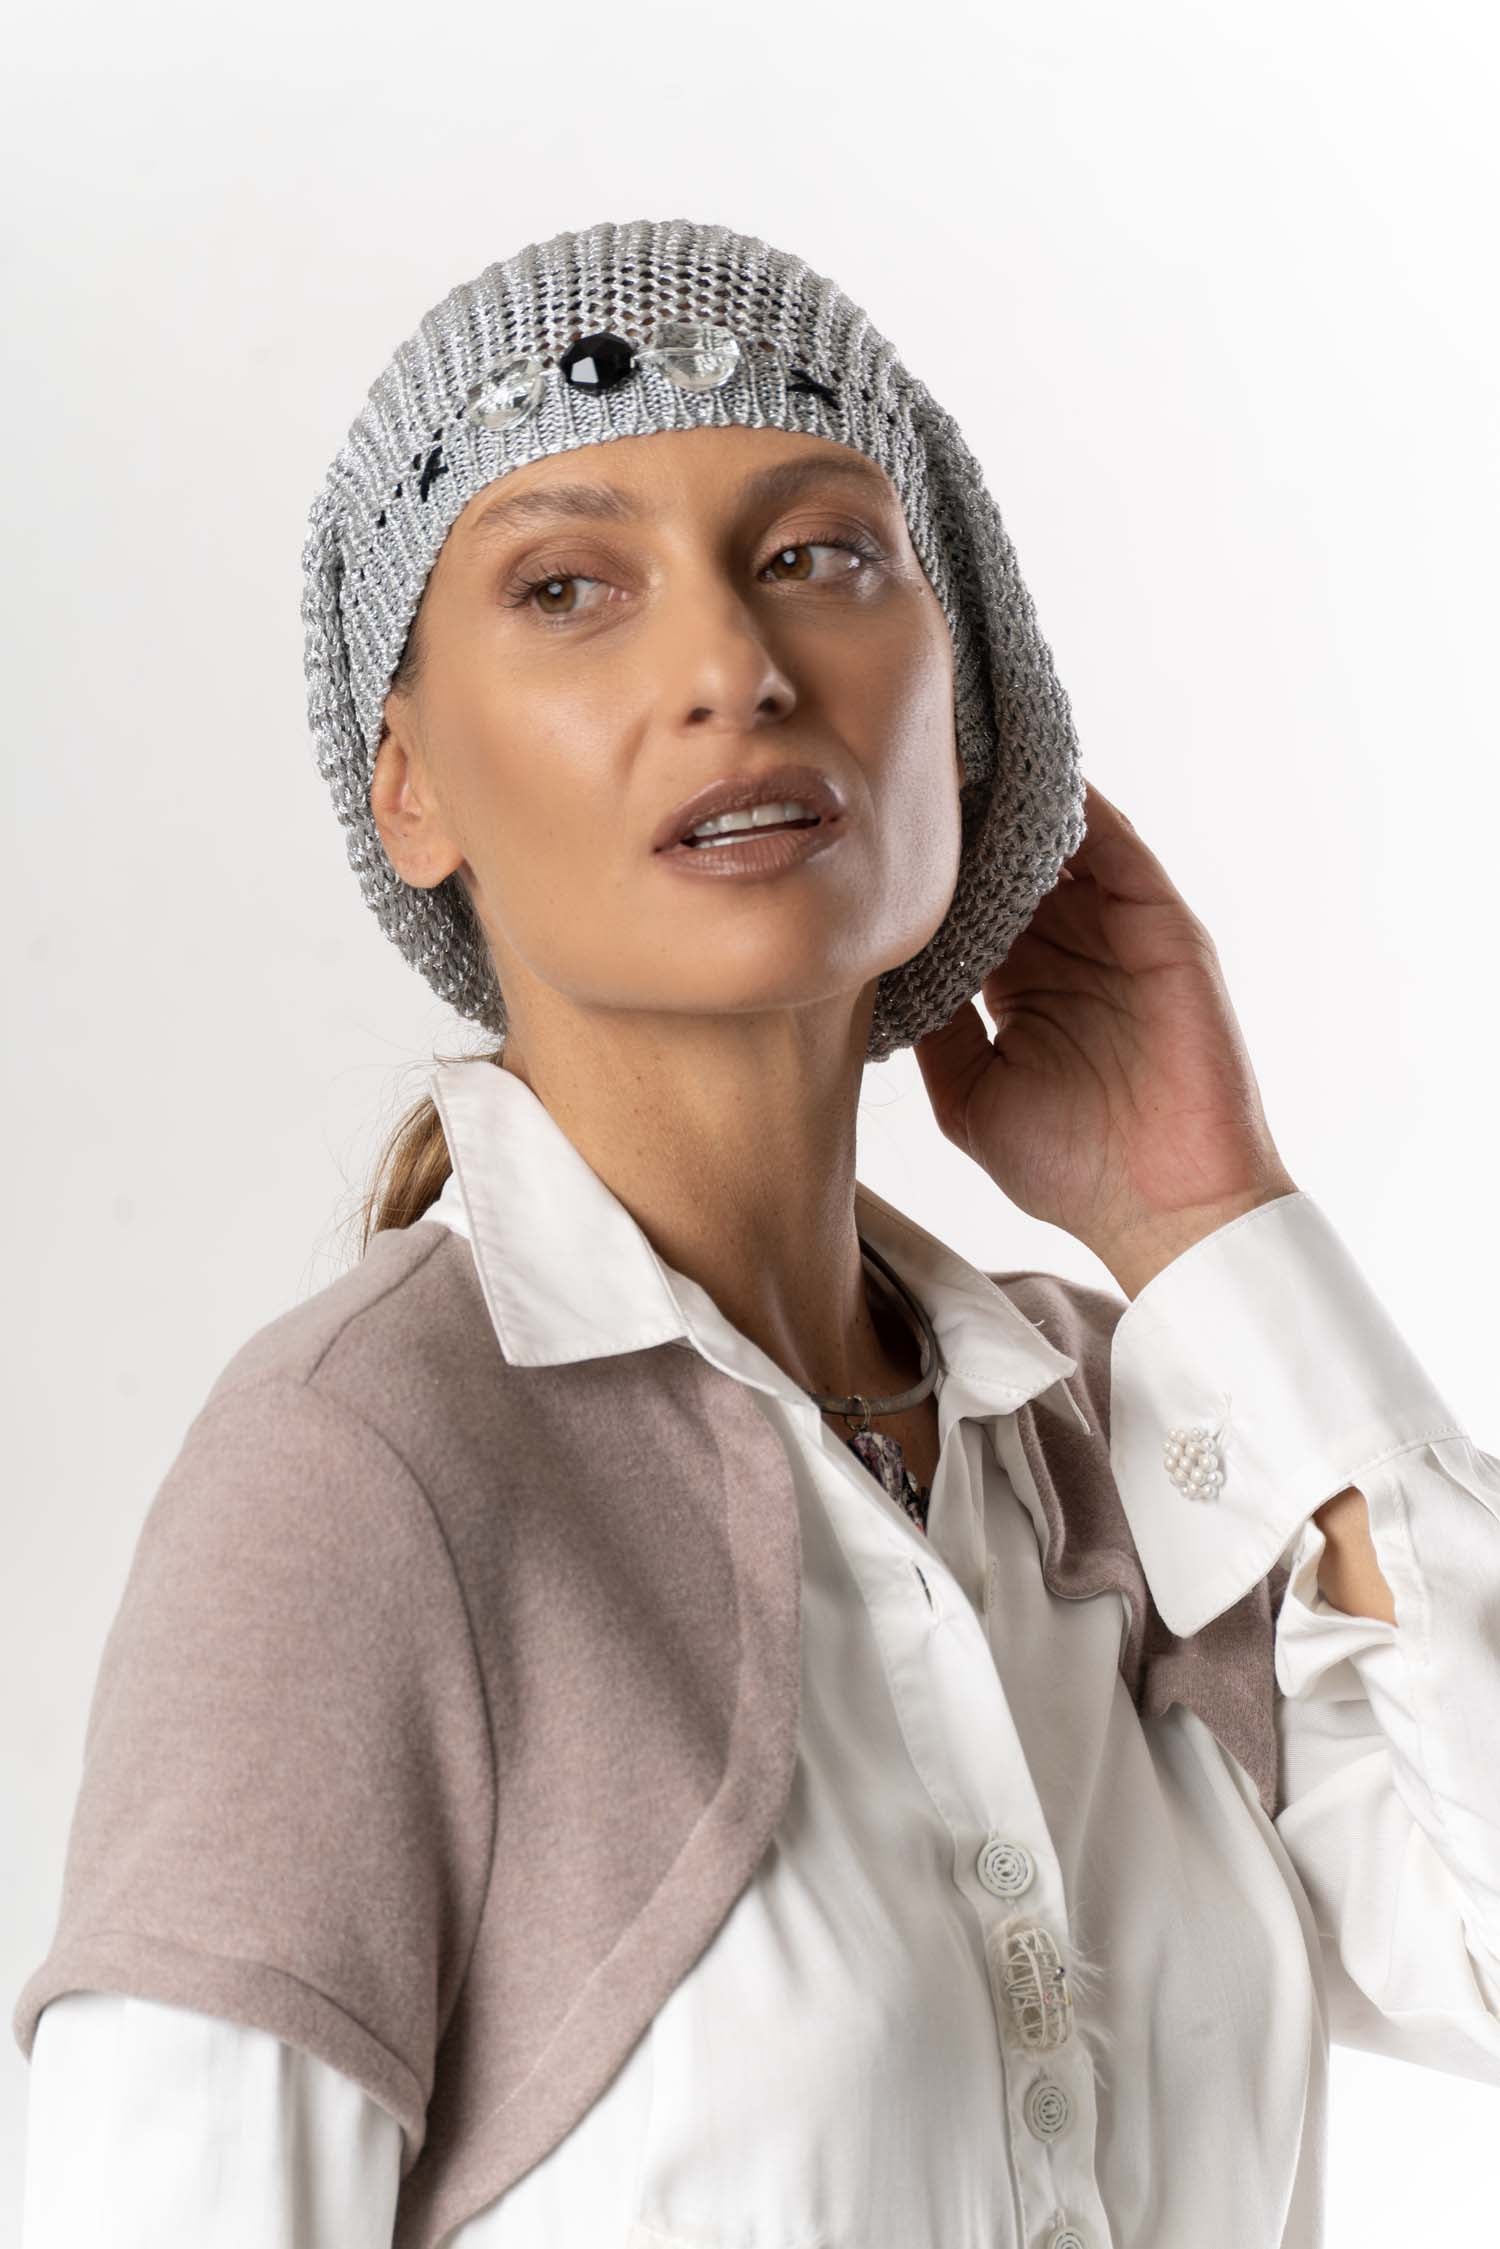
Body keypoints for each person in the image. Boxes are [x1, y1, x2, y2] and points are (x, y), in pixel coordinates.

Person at [14, 216, 1500, 2249]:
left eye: (817, 554)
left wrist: (1205, 1222)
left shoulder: (1112, 1446)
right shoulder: (357, 1484)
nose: (733, 666)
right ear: (410, 782)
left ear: (967, 715)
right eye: (567, 587)